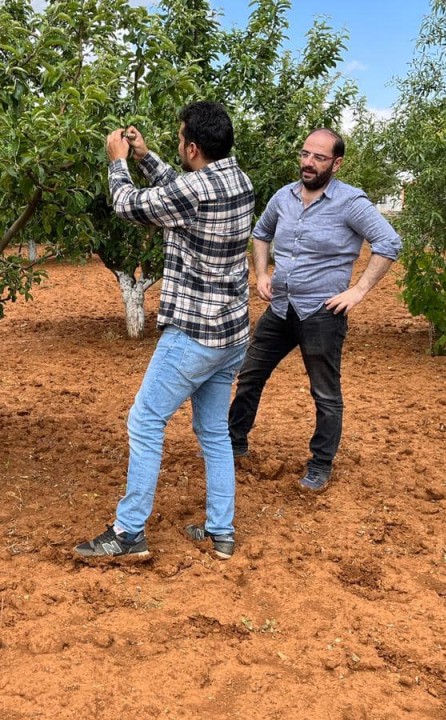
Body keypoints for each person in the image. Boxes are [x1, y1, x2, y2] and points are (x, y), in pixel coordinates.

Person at [75, 101, 255, 561]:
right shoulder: (238, 180)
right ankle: (221, 531)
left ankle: (129, 532)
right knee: (213, 431)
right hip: (231, 334)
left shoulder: (195, 192)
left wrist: (118, 162)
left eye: (180, 141)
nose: (178, 146)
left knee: (145, 420)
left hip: (194, 334)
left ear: (193, 147)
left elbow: (128, 205)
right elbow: (183, 190)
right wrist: (146, 157)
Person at [227, 128, 402, 491]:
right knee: (250, 376)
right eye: (306, 154)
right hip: (280, 308)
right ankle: (234, 443)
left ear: (336, 163)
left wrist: (358, 291)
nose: (308, 162)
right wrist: (262, 273)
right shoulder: (284, 196)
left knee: (324, 393)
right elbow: (261, 233)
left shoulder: (352, 202)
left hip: (322, 313)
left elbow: (389, 241)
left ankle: (320, 464)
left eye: (319, 157)